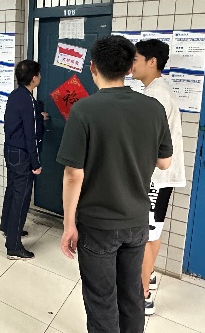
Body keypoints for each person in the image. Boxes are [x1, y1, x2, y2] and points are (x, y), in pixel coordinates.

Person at [58, 35, 173, 333]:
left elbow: (73, 175)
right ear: (128, 68)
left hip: (98, 224)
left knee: (101, 298)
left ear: (93, 67)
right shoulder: (153, 108)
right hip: (136, 221)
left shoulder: (84, 110)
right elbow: (165, 162)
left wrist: (69, 224)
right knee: (132, 293)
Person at [132, 39, 186, 315]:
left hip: (156, 177)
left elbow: (149, 143)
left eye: (135, 59)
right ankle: (149, 275)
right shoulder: (156, 91)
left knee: (145, 235)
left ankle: (143, 296)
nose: (131, 65)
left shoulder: (156, 96)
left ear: (152, 62)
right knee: (153, 232)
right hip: (160, 177)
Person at [0, 60, 45, 260]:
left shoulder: (16, 95)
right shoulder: (28, 100)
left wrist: (38, 116)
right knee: (22, 196)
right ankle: (14, 246)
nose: (40, 77)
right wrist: (36, 163)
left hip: (10, 150)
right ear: (34, 78)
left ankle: (7, 227)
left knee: (12, 190)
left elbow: (17, 122)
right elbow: (31, 135)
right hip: (23, 154)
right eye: (39, 74)